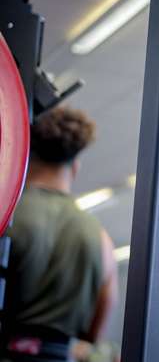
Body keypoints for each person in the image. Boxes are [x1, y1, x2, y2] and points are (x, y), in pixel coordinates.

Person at [1, 107, 118, 362]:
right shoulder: (101, 239)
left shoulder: (6, 213)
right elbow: (94, 333)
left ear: (29, 157)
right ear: (75, 167)